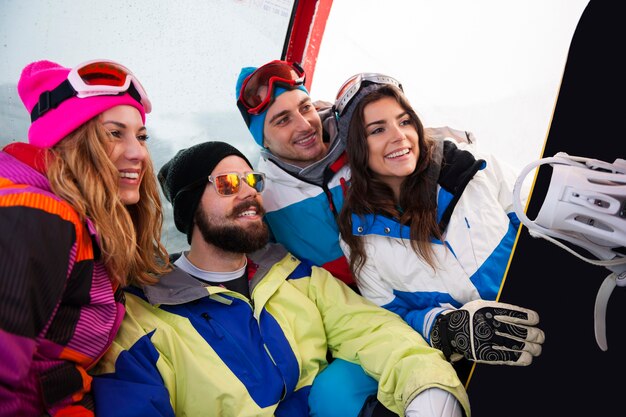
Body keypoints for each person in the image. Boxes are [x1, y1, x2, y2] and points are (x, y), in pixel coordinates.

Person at [90, 140, 471, 417]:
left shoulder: (294, 275)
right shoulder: (144, 318)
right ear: (191, 210)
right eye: (227, 184)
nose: (248, 193)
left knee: (341, 384)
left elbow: (376, 333)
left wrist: (431, 394)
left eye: (252, 180)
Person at [334, 73, 545, 369]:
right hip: (490, 364)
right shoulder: (359, 239)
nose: (399, 136)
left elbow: (537, 223)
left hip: (550, 307)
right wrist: (446, 329)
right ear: (357, 148)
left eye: (404, 121)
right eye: (378, 129)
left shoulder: (473, 168)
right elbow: (389, 316)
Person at [0, 59, 169, 416]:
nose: (138, 152)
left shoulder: (83, 222)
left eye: (141, 136)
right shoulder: (36, 218)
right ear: (71, 140)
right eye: (114, 133)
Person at [235, 60, 474, 288]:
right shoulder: (264, 198)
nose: (305, 125)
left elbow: (404, 143)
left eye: (305, 108)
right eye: (283, 120)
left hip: (418, 280)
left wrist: (445, 148)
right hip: (347, 310)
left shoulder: (358, 146)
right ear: (262, 140)